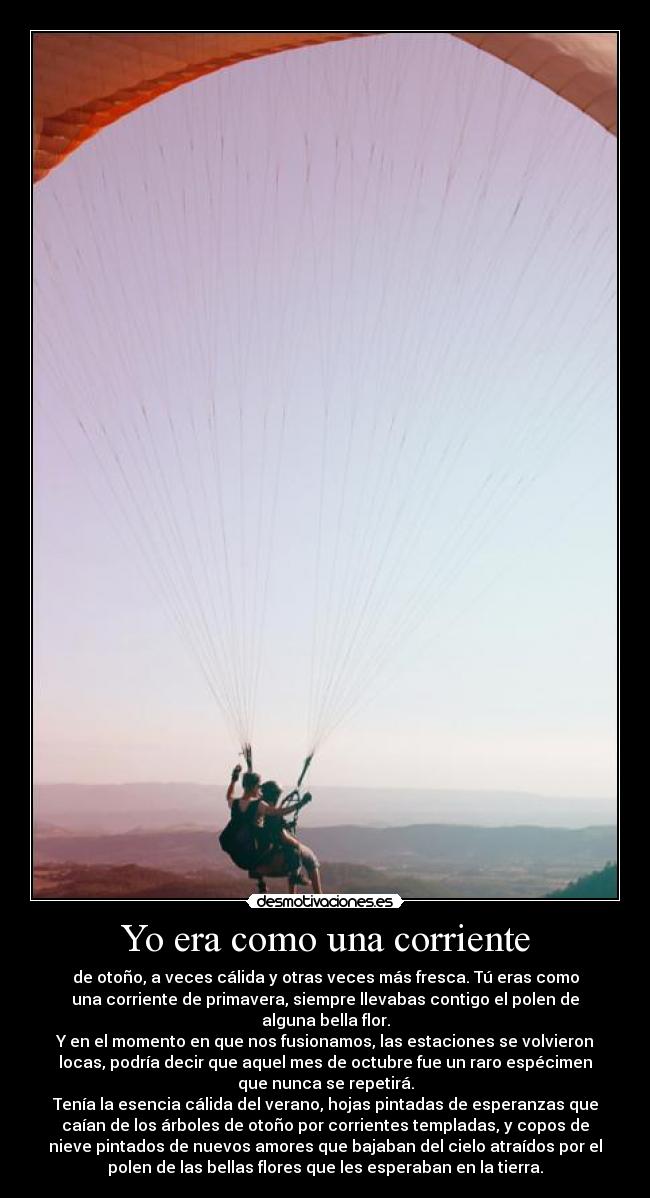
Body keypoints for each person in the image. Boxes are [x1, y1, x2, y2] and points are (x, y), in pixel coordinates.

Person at [221, 765, 322, 893]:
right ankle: (297, 876)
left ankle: (263, 883)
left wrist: (234, 779)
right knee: (300, 849)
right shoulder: (259, 805)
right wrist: (300, 804)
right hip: (257, 849)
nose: (259, 790)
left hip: (239, 854)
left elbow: (229, 795)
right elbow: (278, 812)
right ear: (253, 787)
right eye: (258, 787)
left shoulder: (234, 803)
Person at [258, 779, 322, 895]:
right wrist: (295, 842)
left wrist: (286, 825)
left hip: (263, 847)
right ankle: (318, 895)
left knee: (293, 848)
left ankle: (292, 895)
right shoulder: (272, 813)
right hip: (276, 845)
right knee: (309, 857)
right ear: (276, 795)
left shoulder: (259, 808)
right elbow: (281, 835)